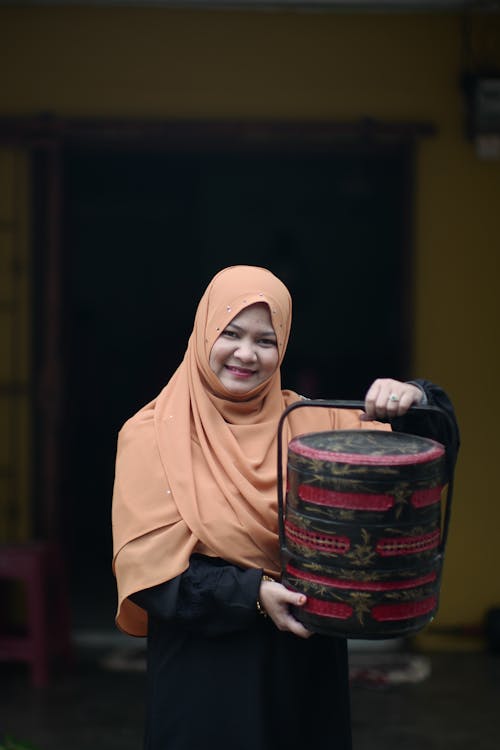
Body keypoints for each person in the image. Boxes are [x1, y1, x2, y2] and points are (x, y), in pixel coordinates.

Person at [111, 265, 459, 750]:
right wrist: (254, 593)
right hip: (204, 676)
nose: (246, 354)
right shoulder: (150, 437)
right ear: (203, 330)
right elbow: (152, 578)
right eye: (230, 333)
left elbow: (419, 462)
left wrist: (415, 398)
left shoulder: (313, 424)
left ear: (284, 347)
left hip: (303, 666)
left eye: (265, 340)